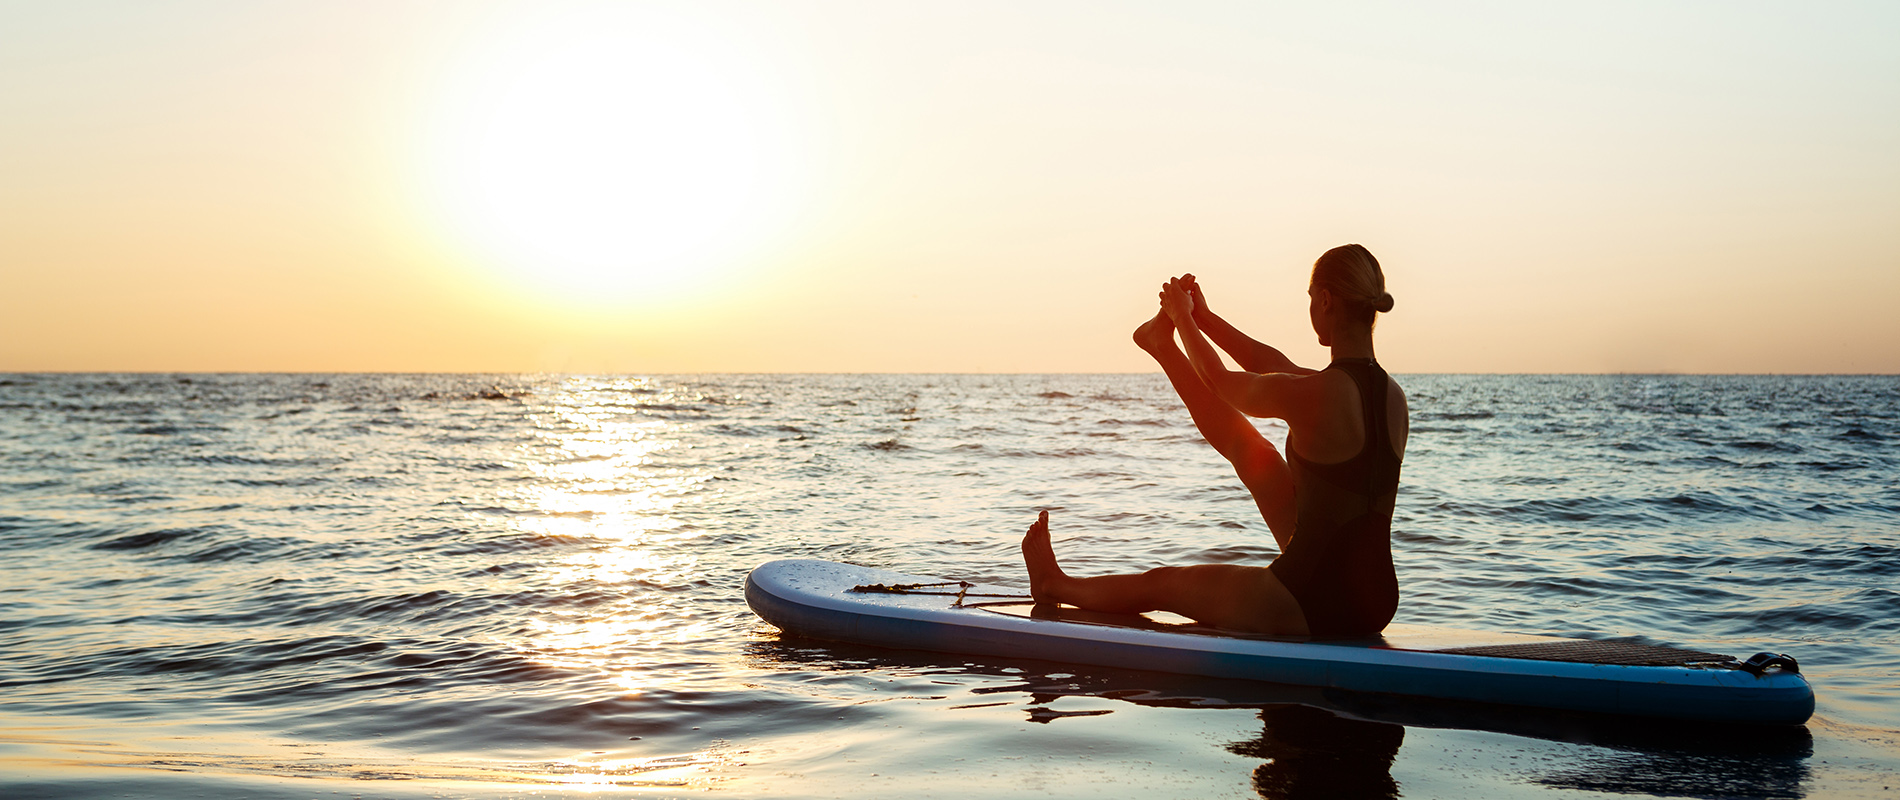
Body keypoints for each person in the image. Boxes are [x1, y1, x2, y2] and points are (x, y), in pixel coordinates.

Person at [1020, 244, 1408, 636]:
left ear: (1325, 300)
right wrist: (1203, 318)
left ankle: (1054, 584)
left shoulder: (1320, 393)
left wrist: (1181, 317)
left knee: (1164, 584)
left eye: (1310, 298)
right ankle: (1161, 344)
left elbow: (1219, 381)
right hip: (1376, 600)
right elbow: (1271, 365)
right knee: (1256, 454)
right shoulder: (1392, 396)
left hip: (1310, 600)